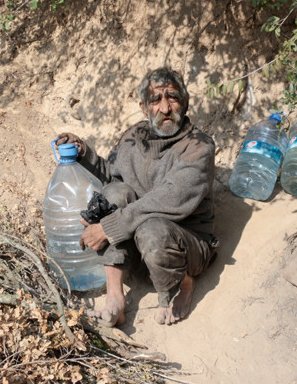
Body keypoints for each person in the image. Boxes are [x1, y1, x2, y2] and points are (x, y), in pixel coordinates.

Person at [55, 67, 218, 327]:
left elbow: (173, 198)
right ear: (144, 108)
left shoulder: (199, 145)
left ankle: (182, 283)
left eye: (173, 98)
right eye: (155, 100)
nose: (165, 108)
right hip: (141, 241)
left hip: (186, 244)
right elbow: (112, 175)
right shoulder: (134, 137)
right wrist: (84, 153)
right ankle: (115, 299)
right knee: (115, 194)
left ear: (185, 103)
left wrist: (108, 228)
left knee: (151, 229)